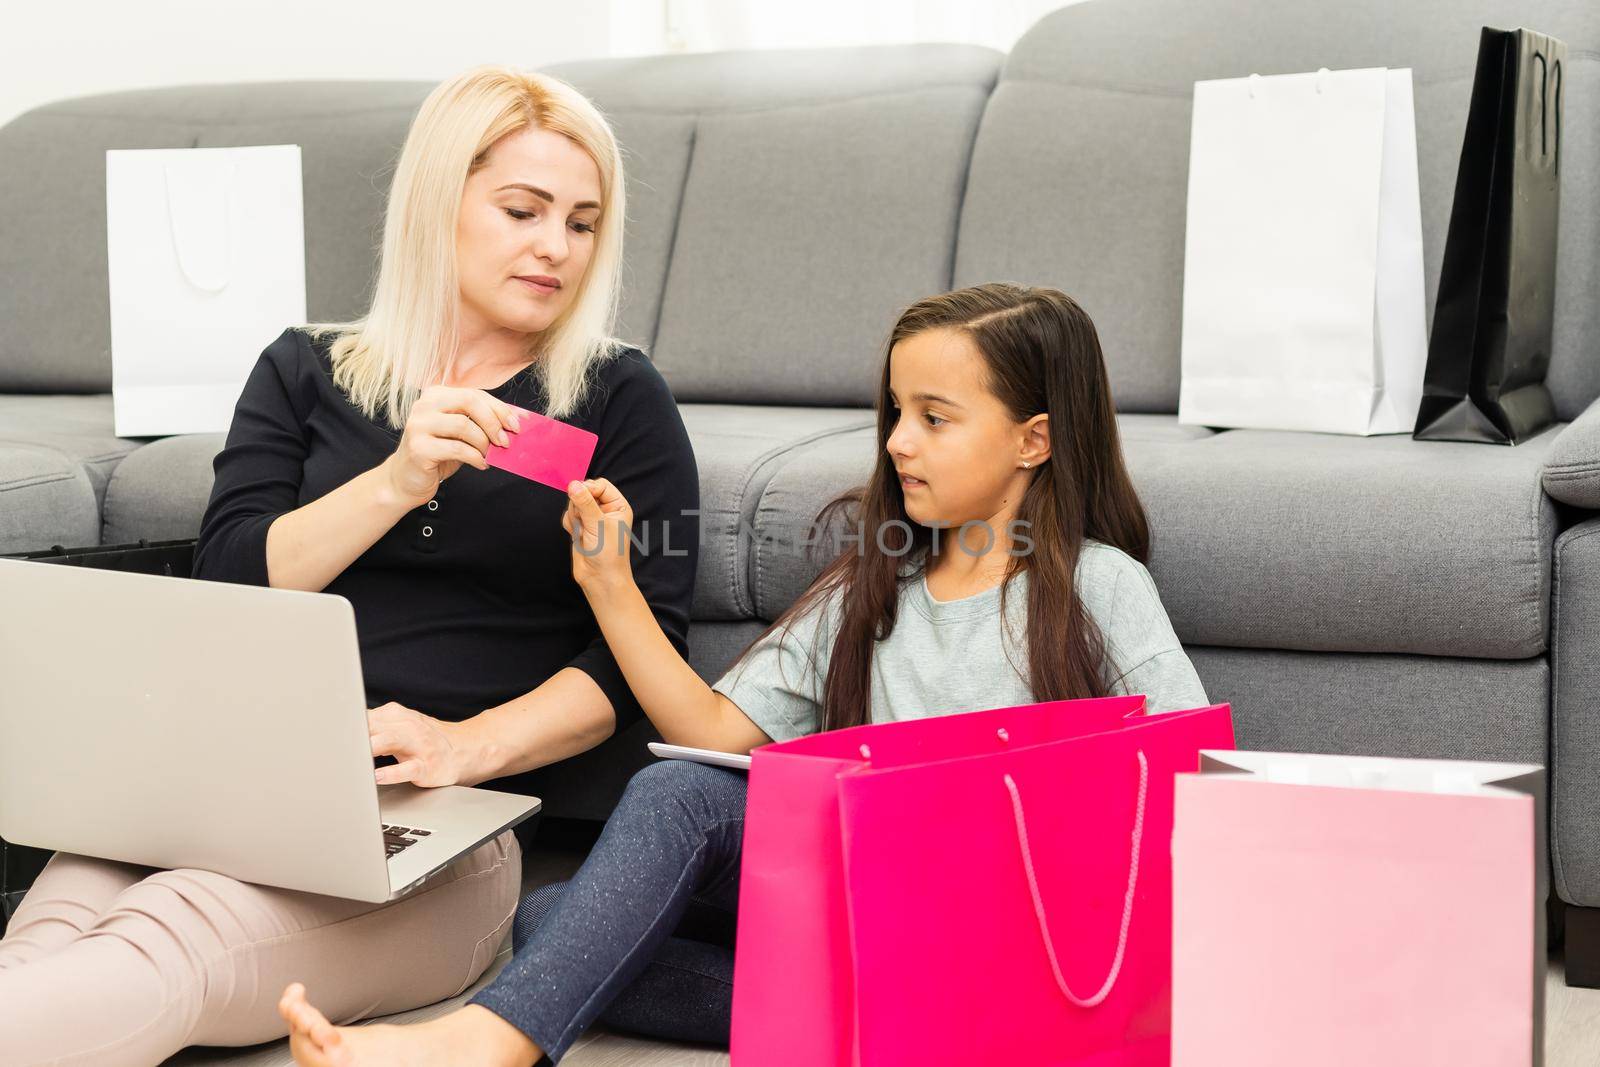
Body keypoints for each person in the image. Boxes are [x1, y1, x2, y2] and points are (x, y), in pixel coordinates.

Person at [280, 282, 1208, 1067]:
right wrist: (609, 581)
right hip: (871, 914)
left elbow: (1191, 783)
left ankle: (483, 1042)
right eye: (896, 415)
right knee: (568, 906)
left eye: (935, 419)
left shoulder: (1098, 583)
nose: (897, 443)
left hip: (1014, 932)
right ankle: (902, 1027)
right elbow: (715, 732)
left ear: (1033, 441)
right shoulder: (876, 583)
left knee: (583, 929)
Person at [0, 65, 697, 1067]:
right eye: (522, 209)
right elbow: (231, 579)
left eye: (582, 222)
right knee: (52, 928)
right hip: (240, 783)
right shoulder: (302, 367)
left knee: (169, 935)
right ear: (437, 202)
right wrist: (398, 477)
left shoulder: (617, 397)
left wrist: (465, 746)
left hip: (445, 832)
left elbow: (640, 654)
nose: (555, 245)